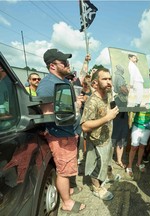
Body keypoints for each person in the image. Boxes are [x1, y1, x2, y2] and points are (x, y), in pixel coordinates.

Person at [37, 48, 86, 213]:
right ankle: (66, 203)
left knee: (68, 168)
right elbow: (48, 113)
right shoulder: (47, 85)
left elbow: (66, 107)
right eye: (63, 62)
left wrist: (76, 104)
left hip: (69, 133)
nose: (68, 64)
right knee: (63, 171)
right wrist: (75, 106)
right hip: (60, 136)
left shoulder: (64, 81)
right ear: (52, 65)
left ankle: (68, 191)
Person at [81, 68, 119, 201]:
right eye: (105, 79)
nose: (109, 82)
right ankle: (96, 187)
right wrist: (107, 118)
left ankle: (107, 176)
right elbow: (84, 126)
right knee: (97, 165)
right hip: (96, 141)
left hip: (106, 138)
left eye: (110, 79)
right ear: (96, 83)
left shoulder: (107, 95)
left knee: (106, 161)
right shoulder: (92, 102)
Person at [125, 82, 150, 177]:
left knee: (142, 146)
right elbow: (131, 108)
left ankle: (138, 163)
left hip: (147, 128)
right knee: (134, 147)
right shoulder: (138, 101)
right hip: (137, 126)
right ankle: (129, 166)